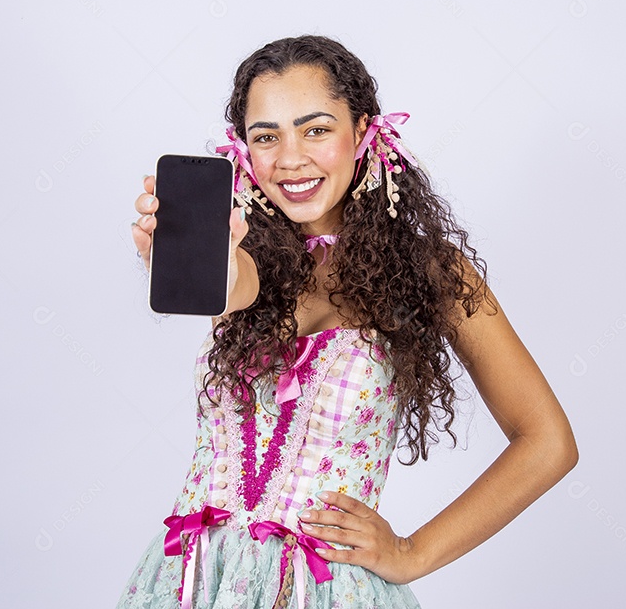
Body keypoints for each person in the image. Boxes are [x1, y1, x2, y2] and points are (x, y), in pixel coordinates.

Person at [119, 35, 578, 609]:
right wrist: (176, 256)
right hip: (191, 585)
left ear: (362, 133)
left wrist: (412, 552)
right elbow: (234, 290)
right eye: (267, 137)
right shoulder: (243, 258)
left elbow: (547, 441)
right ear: (244, 152)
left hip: (327, 592)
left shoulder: (430, 271)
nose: (290, 158)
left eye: (315, 129)